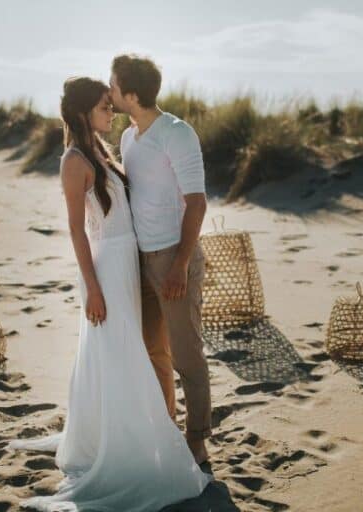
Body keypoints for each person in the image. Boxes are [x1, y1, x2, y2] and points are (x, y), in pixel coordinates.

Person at [7, 76, 210, 512]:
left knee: (130, 351)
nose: (111, 111)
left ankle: (134, 429)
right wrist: (93, 289)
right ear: (84, 112)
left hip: (127, 265)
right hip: (106, 271)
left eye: (111, 102)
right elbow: (77, 231)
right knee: (120, 351)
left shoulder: (103, 150)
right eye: (104, 105)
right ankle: (127, 441)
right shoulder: (74, 160)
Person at [109, 54, 212, 465]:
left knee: (187, 353)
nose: (109, 91)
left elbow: (198, 203)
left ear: (131, 94)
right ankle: (165, 426)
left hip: (174, 257)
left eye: (113, 85)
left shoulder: (177, 133)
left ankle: (198, 439)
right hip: (140, 259)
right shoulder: (128, 138)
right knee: (153, 350)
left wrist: (181, 263)